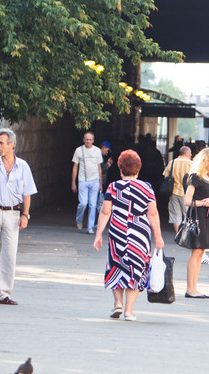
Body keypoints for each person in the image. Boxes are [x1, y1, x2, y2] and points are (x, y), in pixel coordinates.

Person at [93, 150, 165, 321]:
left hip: (117, 230)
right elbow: (153, 214)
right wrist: (158, 237)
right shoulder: (146, 188)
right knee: (136, 269)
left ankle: (117, 303)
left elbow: (105, 212)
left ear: (120, 168)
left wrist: (98, 234)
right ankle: (128, 311)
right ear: (138, 169)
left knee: (116, 266)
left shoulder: (113, 187)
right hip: (139, 233)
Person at [0, 128, 37, 306]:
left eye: (2, 143)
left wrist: (25, 214)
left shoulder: (23, 166)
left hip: (13, 213)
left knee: (9, 254)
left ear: (12, 145)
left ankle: (3, 293)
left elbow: (27, 192)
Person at [183, 147, 209, 299]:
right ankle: (190, 288)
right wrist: (203, 203)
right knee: (196, 252)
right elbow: (187, 201)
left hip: (207, 217)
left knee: (201, 252)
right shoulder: (195, 177)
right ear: (204, 161)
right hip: (198, 217)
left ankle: (194, 287)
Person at [72, 132, 103, 234]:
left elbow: (99, 168)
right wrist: (73, 183)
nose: (88, 141)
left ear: (93, 140)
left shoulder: (97, 151)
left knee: (93, 205)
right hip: (83, 180)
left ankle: (90, 227)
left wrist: (100, 183)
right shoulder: (79, 150)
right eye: (86, 139)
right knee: (83, 203)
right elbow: (75, 167)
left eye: (90, 139)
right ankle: (79, 220)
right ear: (83, 140)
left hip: (94, 181)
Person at [163, 146, 193, 233]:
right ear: (186, 153)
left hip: (174, 192)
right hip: (187, 193)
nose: (191, 155)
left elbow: (165, 175)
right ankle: (186, 236)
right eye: (190, 153)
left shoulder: (172, 162)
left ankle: (178, 235)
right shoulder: (191, 164)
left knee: (175, 215)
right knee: (187, 215)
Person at [95, 141, 114, 217]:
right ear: (103, 148)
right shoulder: (98, 156)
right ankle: (96, 221)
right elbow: (99, 169)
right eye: (107, 150)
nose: (107, 152)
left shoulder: (100, 156)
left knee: (98, 202)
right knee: (98, 203)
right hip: (98, 182)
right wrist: (107, 165)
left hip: (100, 183)